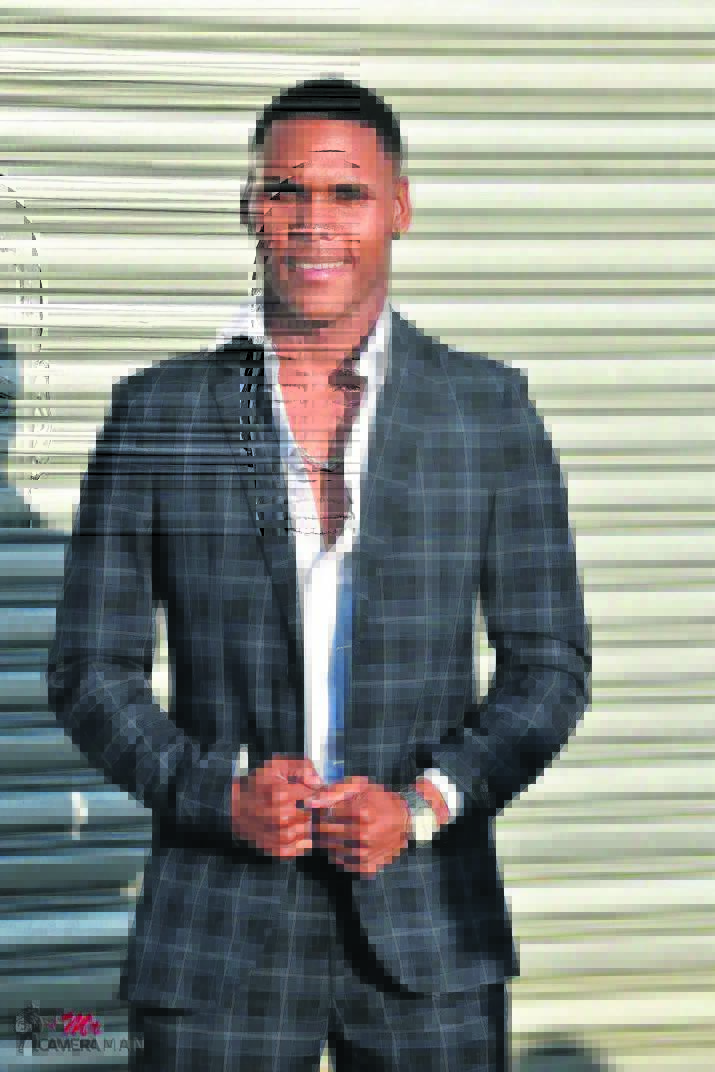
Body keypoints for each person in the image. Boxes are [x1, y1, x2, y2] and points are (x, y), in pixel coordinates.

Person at [47, 77, 591, 1071]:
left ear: (399, 208)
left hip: (429, 919)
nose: (313, 223)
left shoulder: (486, 411)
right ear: (249, 209)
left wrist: (424, 803)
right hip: (218, 920)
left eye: (346, 194)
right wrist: (216, 794)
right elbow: (90, 670)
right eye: (285, 191)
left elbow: (547, 666)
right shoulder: (158, 414)